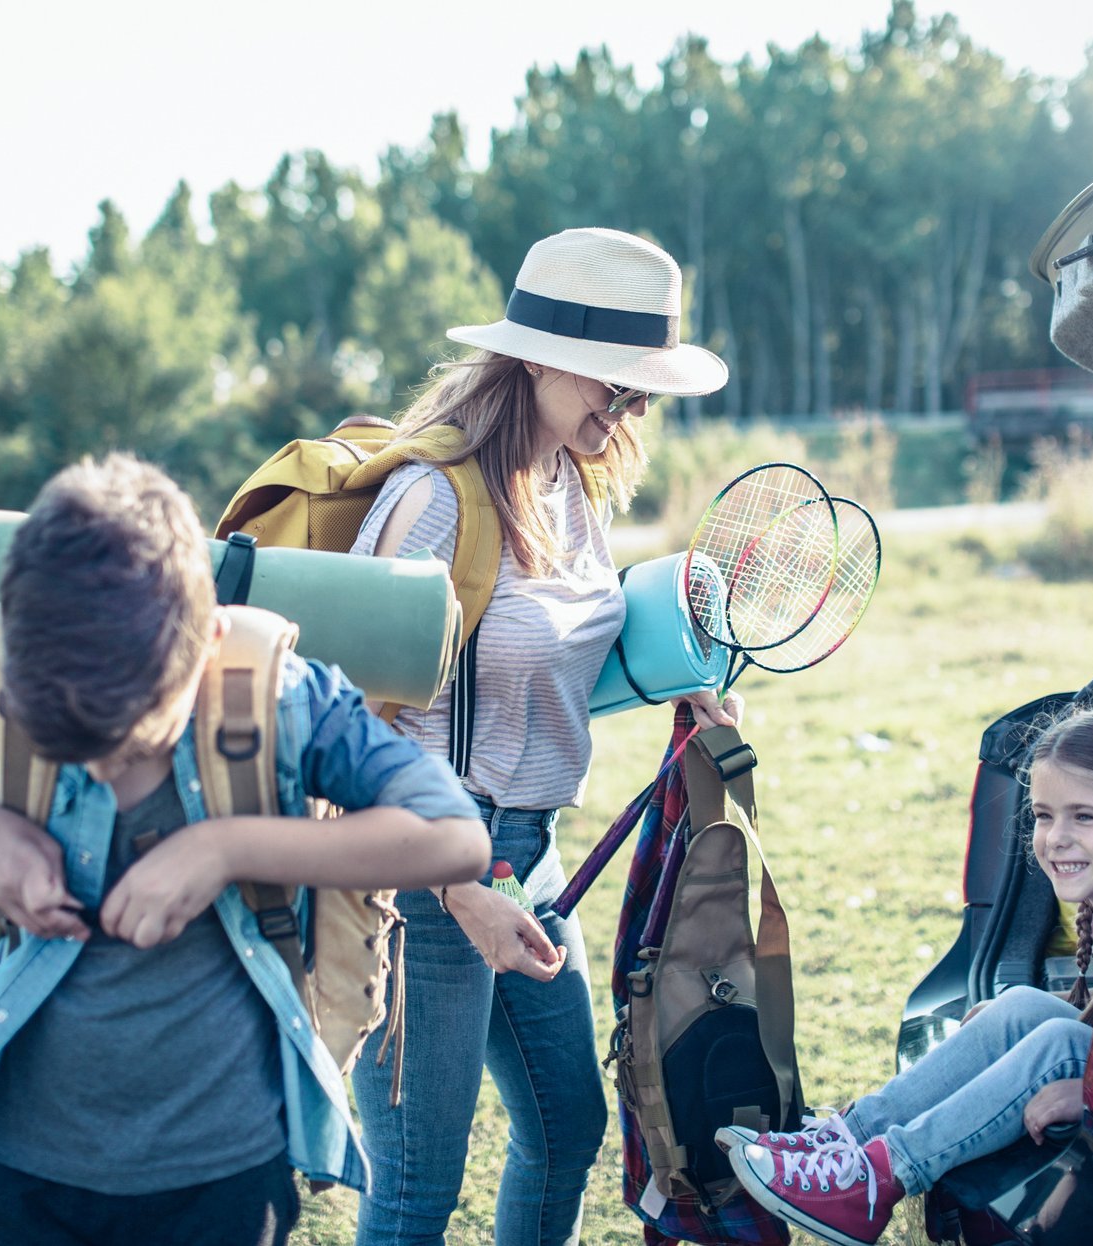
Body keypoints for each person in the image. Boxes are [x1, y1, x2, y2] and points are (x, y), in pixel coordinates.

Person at [0, 454, 490, 1246]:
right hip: (24, 1162)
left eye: (133, 741)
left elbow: (453, 837)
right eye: (67, 746)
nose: (104, 770)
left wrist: (226, 847)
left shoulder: (278, 694)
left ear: (207, 640)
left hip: (226, 1169)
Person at [346, 227, 738, 1246]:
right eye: (618, 380)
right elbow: (350, 725)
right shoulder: (430, 500)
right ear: (536, 358)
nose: (635, 404)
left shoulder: (567, 482)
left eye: (643, 385)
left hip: (530, 852)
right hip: (423, 868)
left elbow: (540, 652)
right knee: (418, 1183)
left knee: (569, 1130)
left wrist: (680, 691)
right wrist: (456, 885)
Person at [717, 704, 1093, 1246]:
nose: (1057, 837)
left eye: (1084, 817)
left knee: (1062, 1038)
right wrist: (1004, 1030)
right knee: (1024, 1007)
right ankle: (847, 1142)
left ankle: (878, 1181)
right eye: (1044, 815)